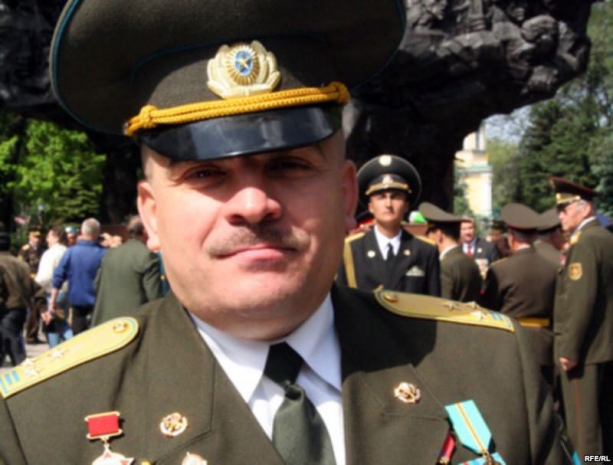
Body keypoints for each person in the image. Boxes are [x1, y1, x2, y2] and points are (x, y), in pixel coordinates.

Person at [0, 2, 574, 463]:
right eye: (205, 174)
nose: (253, 204)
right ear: (150, 215)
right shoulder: (39, 423)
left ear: (346, 197)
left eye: (289, 165)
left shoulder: (494, 369)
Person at [550, 177, 613, 458]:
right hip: (604, 347)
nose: (560, 216)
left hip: (585, 351)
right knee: (603, 425)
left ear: (584, 208)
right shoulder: (605, 238)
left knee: (583, 430)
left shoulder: (585, 242)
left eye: (564, 209)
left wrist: (569, 349)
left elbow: (580, 300)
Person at [336, 155, 441, 296]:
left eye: (395, 197)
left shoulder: (425, 251)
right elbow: (342, 301)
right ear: (370, 207)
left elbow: (434, 303)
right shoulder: (351, 249)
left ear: (406, 205)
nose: (388, 204)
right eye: (381, 197)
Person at [478, 203, 558, 385]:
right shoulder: (553, 268)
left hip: (510, 342)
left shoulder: (500, 269)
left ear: (512, 237)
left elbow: (488, 309)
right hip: (544, 344)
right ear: (535, 236)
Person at [92, 215, 162, 325]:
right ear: (145, 231)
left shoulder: (110, 254)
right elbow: (154, 299)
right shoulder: (147, 256)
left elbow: (96, 285)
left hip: (104, 323)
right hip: (131, 325)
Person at [49, 218, 106, 335]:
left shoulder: (71, 253)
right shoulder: (104, 254)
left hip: (78, 305)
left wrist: (53, 300)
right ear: (98, 233)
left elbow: (58, 277)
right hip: (99, 305)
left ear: (81, 231)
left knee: (79, 338)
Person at [419, 202, 482, 302]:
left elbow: (442, 304)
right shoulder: (470, 261)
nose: (428, 239)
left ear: (439, 235)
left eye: (429, 234)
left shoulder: (444, 265)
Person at [0, 232, 41, 367]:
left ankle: (22, 368)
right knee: (13, 339)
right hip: (20, 309)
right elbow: (34, 287)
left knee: (12, 342)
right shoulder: (22, 264)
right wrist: (43, 306)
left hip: (5, 308)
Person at [34, 226, 73, 348]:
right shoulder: (68, 251)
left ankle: (57, 348)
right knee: (60, 322)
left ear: (56, 238)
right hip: (67, 292)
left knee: (52, 323)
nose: (47, 240)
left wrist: (34, 286)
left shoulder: (50, 253)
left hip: (53, 293)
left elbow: (45, 277)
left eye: (49, 236)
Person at [18, 226, 45, 344]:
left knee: (38, 308)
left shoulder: (42, 250)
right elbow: (20, 265)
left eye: (39, 237)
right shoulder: (25, 249)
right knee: (31, 309)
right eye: (35, 237)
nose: (37, 239)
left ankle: (34, 333)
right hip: (29, 282)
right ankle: (29, 334)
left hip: (39, 282)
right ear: (30, 236)